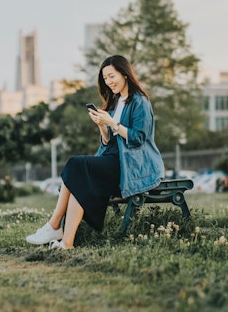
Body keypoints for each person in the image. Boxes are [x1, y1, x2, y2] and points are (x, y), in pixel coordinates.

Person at [26, 55, 165, 249]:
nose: (108, 82)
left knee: (76, 164)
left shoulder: (139, 102)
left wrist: (111, 123)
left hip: (131, 164)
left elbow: (138, 138)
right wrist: (102, 126)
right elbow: (108, 142)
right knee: (79, 176)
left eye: (111, 76)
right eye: (105, 78)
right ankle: (67, 242)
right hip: (112, 159)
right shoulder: (116, 102)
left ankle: (54, 224)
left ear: (125, 74)